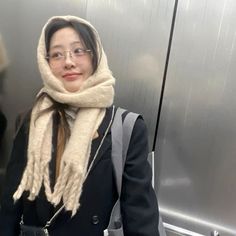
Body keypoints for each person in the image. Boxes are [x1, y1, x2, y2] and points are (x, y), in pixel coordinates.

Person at [0, 15, 159, 236]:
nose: (68, 61)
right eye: (56, 54)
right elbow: (11, 205)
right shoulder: (32, 120)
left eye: (79, 50)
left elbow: (140, 216)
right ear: (46, 64)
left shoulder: (126, 127)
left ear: (96, 56)